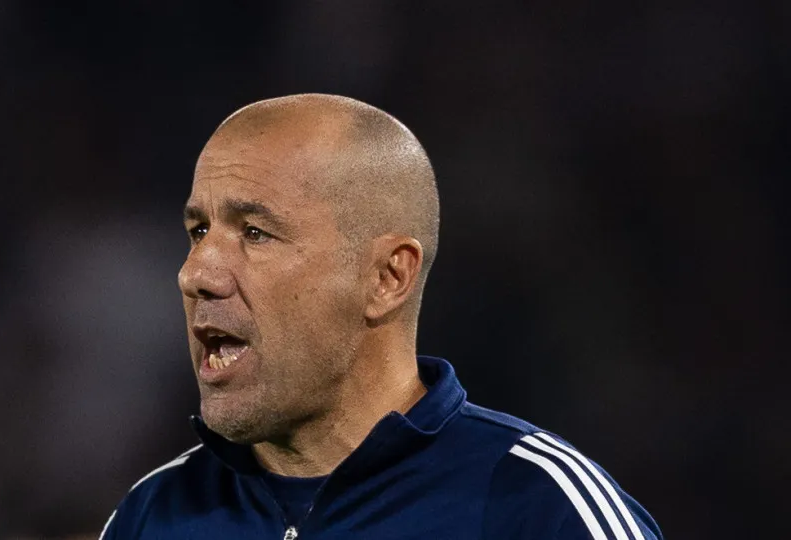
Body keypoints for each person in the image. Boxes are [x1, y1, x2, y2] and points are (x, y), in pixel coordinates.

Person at [98, 94, 663, 540]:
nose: (195, 272)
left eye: (255, 232)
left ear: (388, 277)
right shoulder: (152, 515)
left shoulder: (540, 508)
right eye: (198, 230)